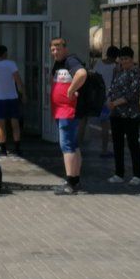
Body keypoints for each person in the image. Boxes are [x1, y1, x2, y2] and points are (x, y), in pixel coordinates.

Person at [49, 37, 87, 195]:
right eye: (53, 49)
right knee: (73, 145)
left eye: (58, 49)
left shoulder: (71, 61)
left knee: (67, 146)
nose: (55, 52)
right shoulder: (59, 64)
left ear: (65, 48)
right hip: (61, 111)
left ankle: (70, 182)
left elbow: (82, 74)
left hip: (67, 111)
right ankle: (75, 179)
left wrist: (71, 91)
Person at [105, 46, 140, 184]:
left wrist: (115, 103)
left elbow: (133, 94)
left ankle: (137, 175)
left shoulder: (136, 72)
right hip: (116, 114)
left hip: (130, 114)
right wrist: (109, 100)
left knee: (133, 143)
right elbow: (112, 87)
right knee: (117, 144)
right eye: (121, 59)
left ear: (132, 59)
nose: (124, 61)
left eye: (126, 58)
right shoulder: (117, 71)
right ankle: (119, 173)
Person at [0, 44, 25, 156]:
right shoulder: (11, 64)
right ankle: (17, 148)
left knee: (0, 124)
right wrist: (23, 93)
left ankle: (3, 149)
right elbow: (18, 79)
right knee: (15, 123)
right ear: (5, 53)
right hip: (12, 96)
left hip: (0, 98)